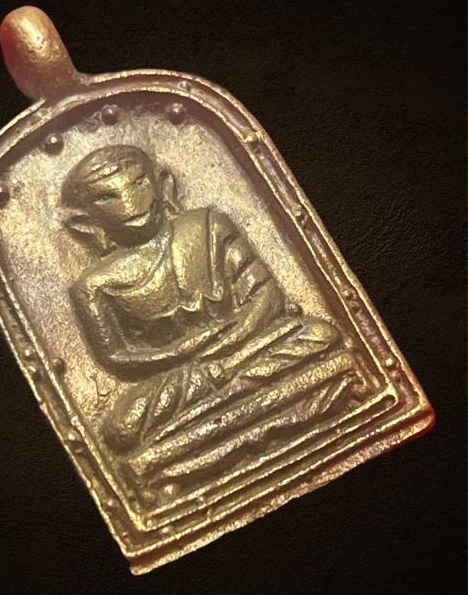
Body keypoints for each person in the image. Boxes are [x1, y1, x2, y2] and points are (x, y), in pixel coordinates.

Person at [61, 145, 339, 453]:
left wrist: (231, 343)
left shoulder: (209, 225)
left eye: (139, 182)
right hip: (186, 375)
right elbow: (116, 357)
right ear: (85, 222)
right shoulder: (93, 285)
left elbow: (266, 294)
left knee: (319, 334)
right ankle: (242, 401)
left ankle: (201, 427)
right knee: (122, 428)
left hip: (244, 346)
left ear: (163, 184)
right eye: (107, 197)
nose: (130, 202)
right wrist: (180, 353)